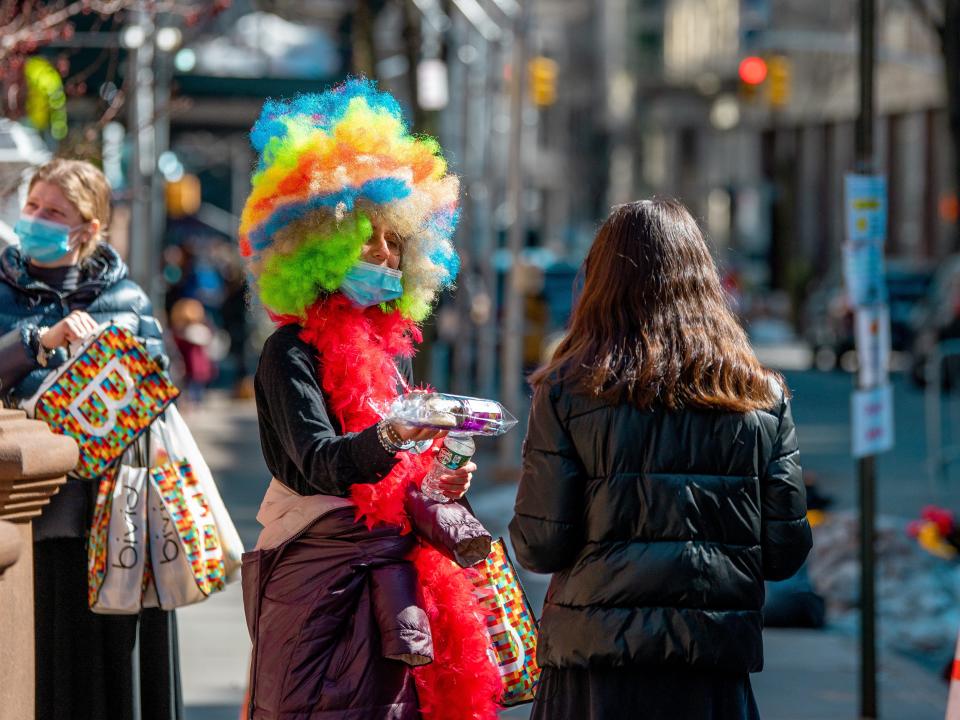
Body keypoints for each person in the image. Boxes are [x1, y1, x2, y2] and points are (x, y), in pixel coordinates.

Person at [240, 79, 502, 719]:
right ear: (318, 248)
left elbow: (397, 471)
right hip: (320, 584)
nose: (385, 255)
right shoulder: (290, 354)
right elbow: (322, 462)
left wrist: (440, 475)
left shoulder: (392, 351)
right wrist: (394, 438)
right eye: (366, 240)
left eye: (394, 240)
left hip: (396, 581)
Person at [510, 198, 813, 720]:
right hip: (711, 668)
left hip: (594, 672)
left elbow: (541, 545)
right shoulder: (761, 396)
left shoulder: (567, 391)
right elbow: (785, 552)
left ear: (599, 282)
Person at [0, 158, 179, 720]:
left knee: (113, 680)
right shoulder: (2, 287)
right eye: (33, 206)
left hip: (116, 523)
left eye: (54, 212)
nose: (36, 219)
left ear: (89, 229)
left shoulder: (127, 300)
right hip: (31, 520)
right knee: (40, 673)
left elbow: (159, 386)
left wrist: (122, 367)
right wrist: (37, 341)